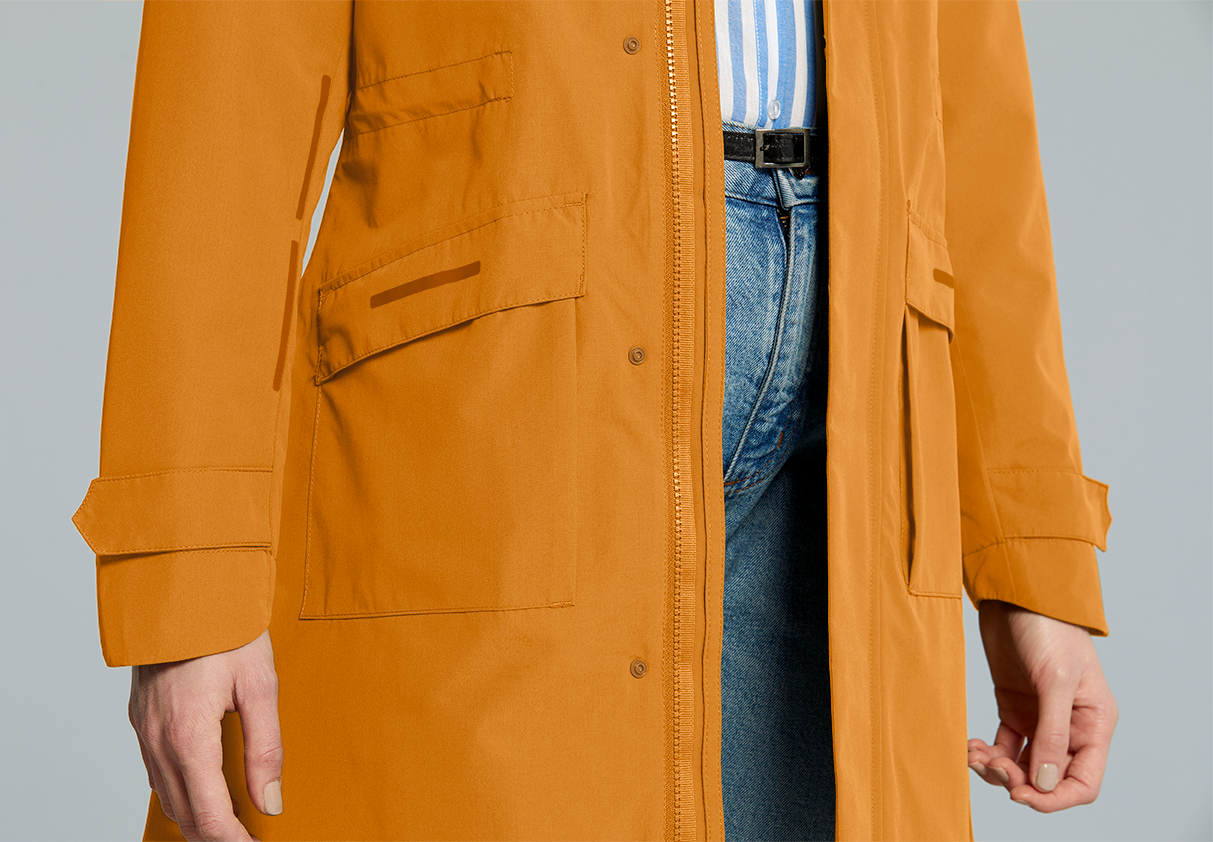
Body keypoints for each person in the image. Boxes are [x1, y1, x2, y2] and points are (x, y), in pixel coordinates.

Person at [71, 0, 1118, 839]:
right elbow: (229, 88)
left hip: (861, 387)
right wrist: (185, 570)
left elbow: (973, 113)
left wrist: (1031, 559)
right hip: (496, 382)